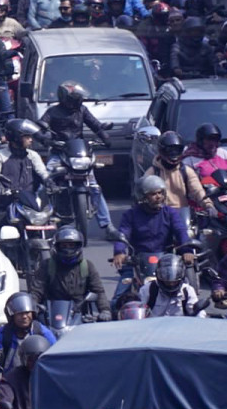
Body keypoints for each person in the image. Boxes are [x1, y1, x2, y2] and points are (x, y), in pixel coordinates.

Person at [41, 81, 112, 230]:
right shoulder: (52, 112)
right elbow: (41, 127)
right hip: (59, 153)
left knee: (94, 186)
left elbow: (95, 125)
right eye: (75, 99)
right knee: (45, 181)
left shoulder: (82, 110)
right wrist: (46, 138)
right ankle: (39, 218)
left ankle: (107, 225)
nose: (78, 102)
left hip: (79, 153)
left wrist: (105, 137)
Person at [112, 175, 191, 306]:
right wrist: (119, 252)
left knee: (187, 290)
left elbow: (180, 231)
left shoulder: (170, 213)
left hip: (166, 261)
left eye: (160, 193)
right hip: (137, 261)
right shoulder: (130, 215)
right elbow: (123, 234)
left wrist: (187, 250)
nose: (158, 196)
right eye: (153, 194)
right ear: (142, 196)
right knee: (117, 300)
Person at [25, 226, 107, 315]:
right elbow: (36, 290)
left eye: (71, 245)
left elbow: (98, 291)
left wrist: (105, 310)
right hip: (51, 314)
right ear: (57, 247)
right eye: (64, 246)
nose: (68, 249)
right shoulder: (47, 265)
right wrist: (32, 308)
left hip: (79, 315)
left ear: (78, 246)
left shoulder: (87, 266)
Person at [145, 130, 214, 224]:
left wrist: (208, 205)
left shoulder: (186, 171)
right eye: (170, 150)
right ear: (162, 151)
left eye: (177, 150)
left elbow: (197, 191)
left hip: (182, 218)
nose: (174, 153)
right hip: (159, 218)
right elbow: (143, 195)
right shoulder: (152, 173)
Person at [0, 292, 57, 373]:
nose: (24, 316)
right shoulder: (4, 332)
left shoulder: (41, 331)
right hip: (11, 377)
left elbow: (56, 353)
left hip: (38, 375)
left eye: (27, 312)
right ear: (12, 315)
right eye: (20, 313)